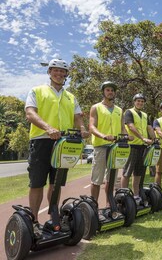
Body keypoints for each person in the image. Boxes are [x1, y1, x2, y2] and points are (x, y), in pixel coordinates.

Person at [25, 58, 89, 236]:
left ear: (66, 75)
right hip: (42, 141)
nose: (59, 74)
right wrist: (48, 128)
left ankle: (54, 217)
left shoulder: (71, 97)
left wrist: (82, 129)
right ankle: (34, 221)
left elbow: (78, 117)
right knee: (37, 182)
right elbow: (30, 113)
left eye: (63, 71)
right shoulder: (37, 91)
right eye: (56, 70)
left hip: (64, 143)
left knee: (56, 182)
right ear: (50, 72)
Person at [89, 81, 131, 206]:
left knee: (111, 179)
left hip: (116, 147)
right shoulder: (96, 107)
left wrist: (127, 136)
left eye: (112, 90)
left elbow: (122, 128)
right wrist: (103, 135)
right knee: (97, 179)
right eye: (108, 90)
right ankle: (93, 206)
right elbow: (91, 126)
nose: (110, 92)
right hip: (101, 145)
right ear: (103, 92)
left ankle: (109, 205)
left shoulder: (119, 110)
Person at [121, 93, 155, 205]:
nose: (140, 103)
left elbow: (149, 127)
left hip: (143, 147)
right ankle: (123, 196)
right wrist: (143, 138)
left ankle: (136, 195)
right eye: (138, 101)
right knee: (127, 172)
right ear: (134, 102)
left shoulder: (145, 115)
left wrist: (154, 138)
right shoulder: (129, 112)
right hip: (132, 145)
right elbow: (131, 126)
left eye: (142, 101)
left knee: (138, 173)